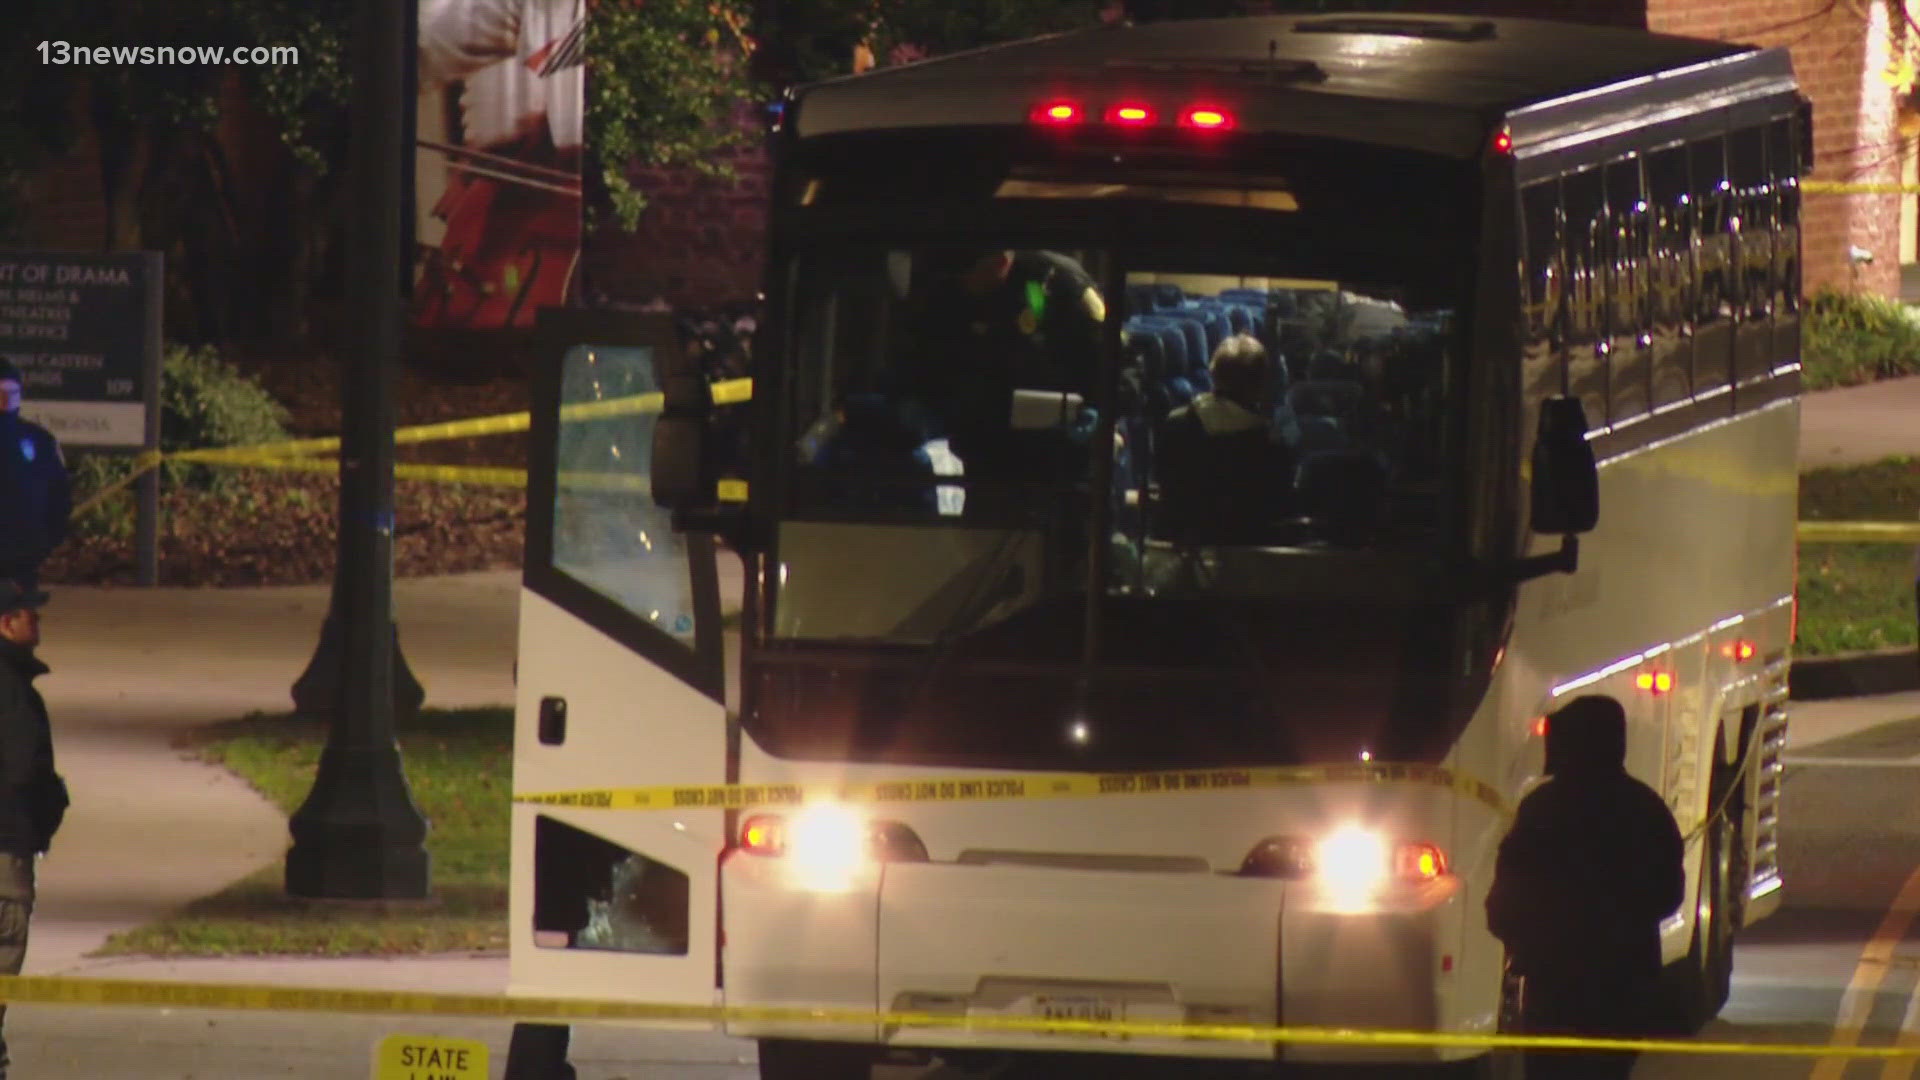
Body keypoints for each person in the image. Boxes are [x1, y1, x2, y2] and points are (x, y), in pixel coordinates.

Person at [1485, 694, 1685, 1080]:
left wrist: (1517, 939)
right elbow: (1668, 893)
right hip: (1624, 985)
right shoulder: (1644, 808)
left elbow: (1509, 892)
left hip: (1553, 984)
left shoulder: (1541, 808)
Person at [905, 249, 1106, 485]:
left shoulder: (1054, 282)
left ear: (1000, 261)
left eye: (973, 273)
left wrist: (1098, 408)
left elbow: (1114, 362)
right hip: (986, 446)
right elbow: (928, 356)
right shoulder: (951, 290)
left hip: (1058, 450)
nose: (967, 282)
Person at [0, 577, 69, 1079]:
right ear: (6, 623)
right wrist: (48, 812)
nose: (37, 621)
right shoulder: (14, 696)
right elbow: (23, 772)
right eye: (30, 613)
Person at [1154, 333, 1295, 545]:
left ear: (1213, 374)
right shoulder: (1274, 446)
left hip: (1184, 547)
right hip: (1251, 557)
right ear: (1261, 385)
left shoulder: (1175, 424)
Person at [0, 360, 72, 590]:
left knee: (18, 622)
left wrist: (44, 543)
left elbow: (59, 495)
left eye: (11, 393)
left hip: (21, 560)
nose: (5, 400)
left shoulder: (38, 440)